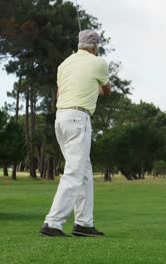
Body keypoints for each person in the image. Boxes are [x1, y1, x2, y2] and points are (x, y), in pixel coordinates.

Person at [40, 30, 111, 237]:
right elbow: (106, 91)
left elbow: (61, 92)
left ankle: (84, 223)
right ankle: (52, 223)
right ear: (95, 46)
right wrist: (96, 86)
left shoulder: (64, 64)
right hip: (79, 118)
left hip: (61, 118)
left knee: (84, 172)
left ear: (79, 44)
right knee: (74, 172)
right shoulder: (99, 63)